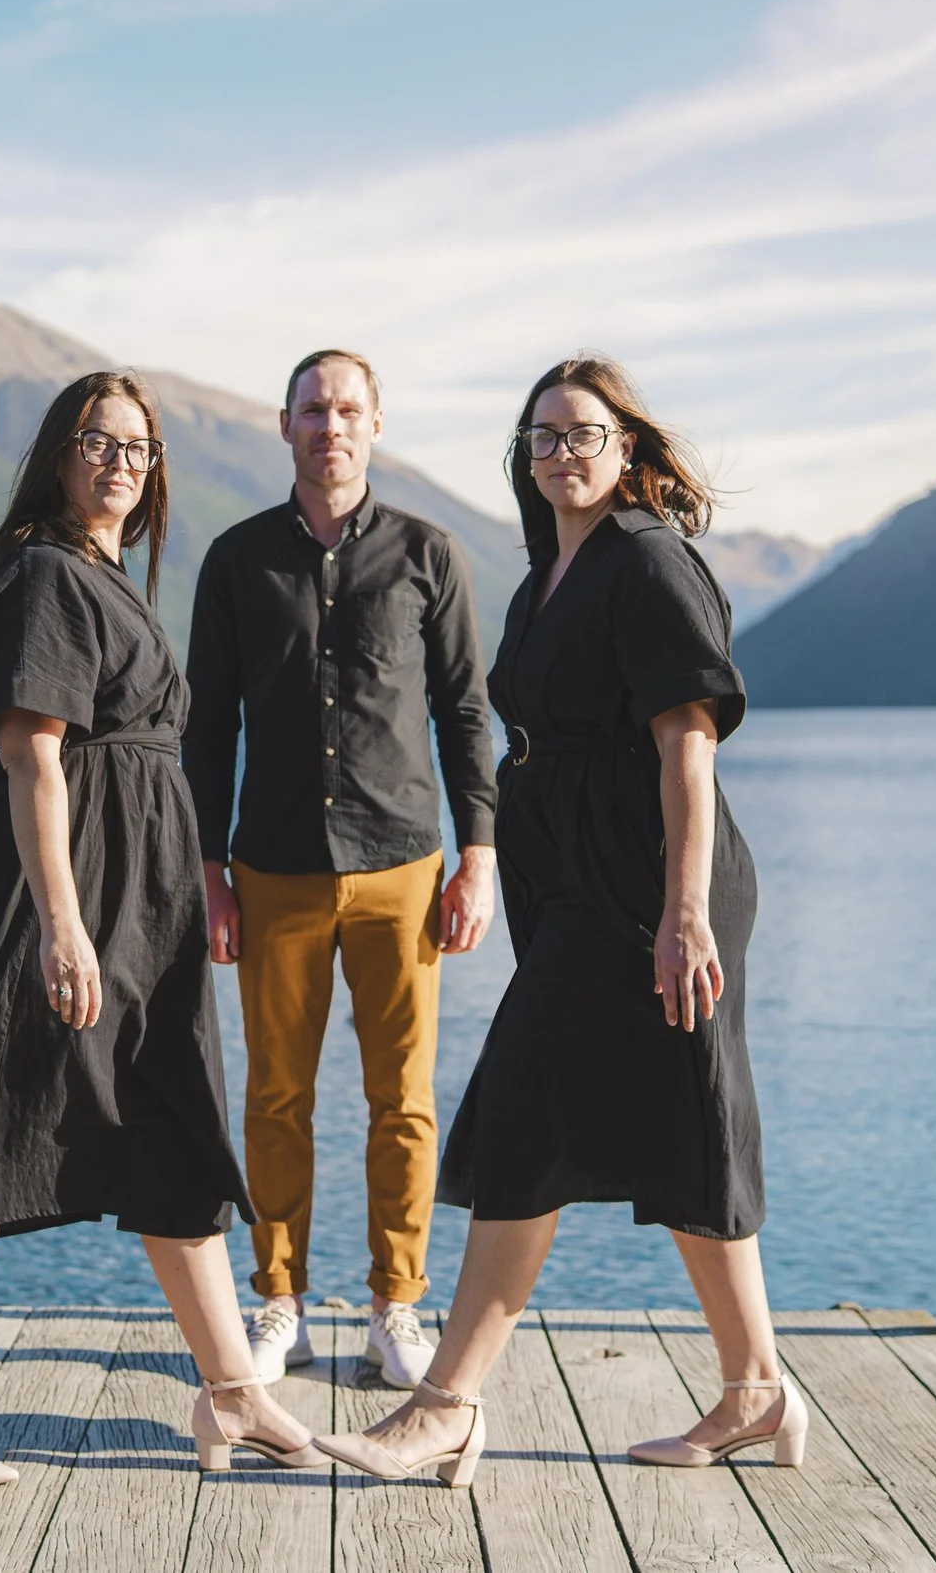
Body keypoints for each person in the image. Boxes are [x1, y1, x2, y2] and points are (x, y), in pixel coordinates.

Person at [315, 355, 806, 1485]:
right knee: (684, 1120)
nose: (558, 453)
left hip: (648, 880)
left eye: (580, 433)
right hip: (579, 876)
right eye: (539, 436)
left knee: (523, 1105)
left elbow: (688, 737)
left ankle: (446, 1401)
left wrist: (685, 913)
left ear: (625, 447)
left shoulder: (647, 558)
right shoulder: (552, 570)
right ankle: (756, 1390)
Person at [0, 370, 326, 1486]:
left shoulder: (107, 573)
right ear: (58, 455)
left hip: (141, 897)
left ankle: (233, 1394)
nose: (120, 462)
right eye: (97, 441)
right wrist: (63, 924)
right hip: (48, 891)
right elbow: (33, 755)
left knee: (172, 1122)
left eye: (138, 448)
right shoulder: (43, 573)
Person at [182, 348, 498, 1389]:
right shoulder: (235, 561)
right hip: (269, 867)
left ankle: (395, 1306)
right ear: (284, 425)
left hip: (404, 863)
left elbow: (463, 712)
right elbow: (206, 726)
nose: (330, 425)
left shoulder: (427, 553)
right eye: (312, 409)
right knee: (276, 1094)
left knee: (401, 1097)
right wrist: (207, 871)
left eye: (348, 408)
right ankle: (280, 1303)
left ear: (374, 424)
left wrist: (479, 857)